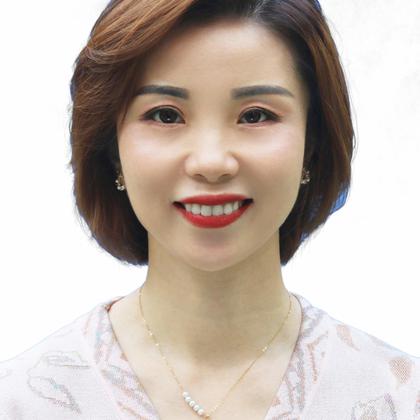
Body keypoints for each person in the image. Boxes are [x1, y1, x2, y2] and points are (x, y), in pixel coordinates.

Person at [1, 0, 419, 419]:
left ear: (312, 143)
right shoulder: (23, 401)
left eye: (255, 116)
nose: (211, 162)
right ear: (112, 150)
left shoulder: (399, 398)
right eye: (166, 115)